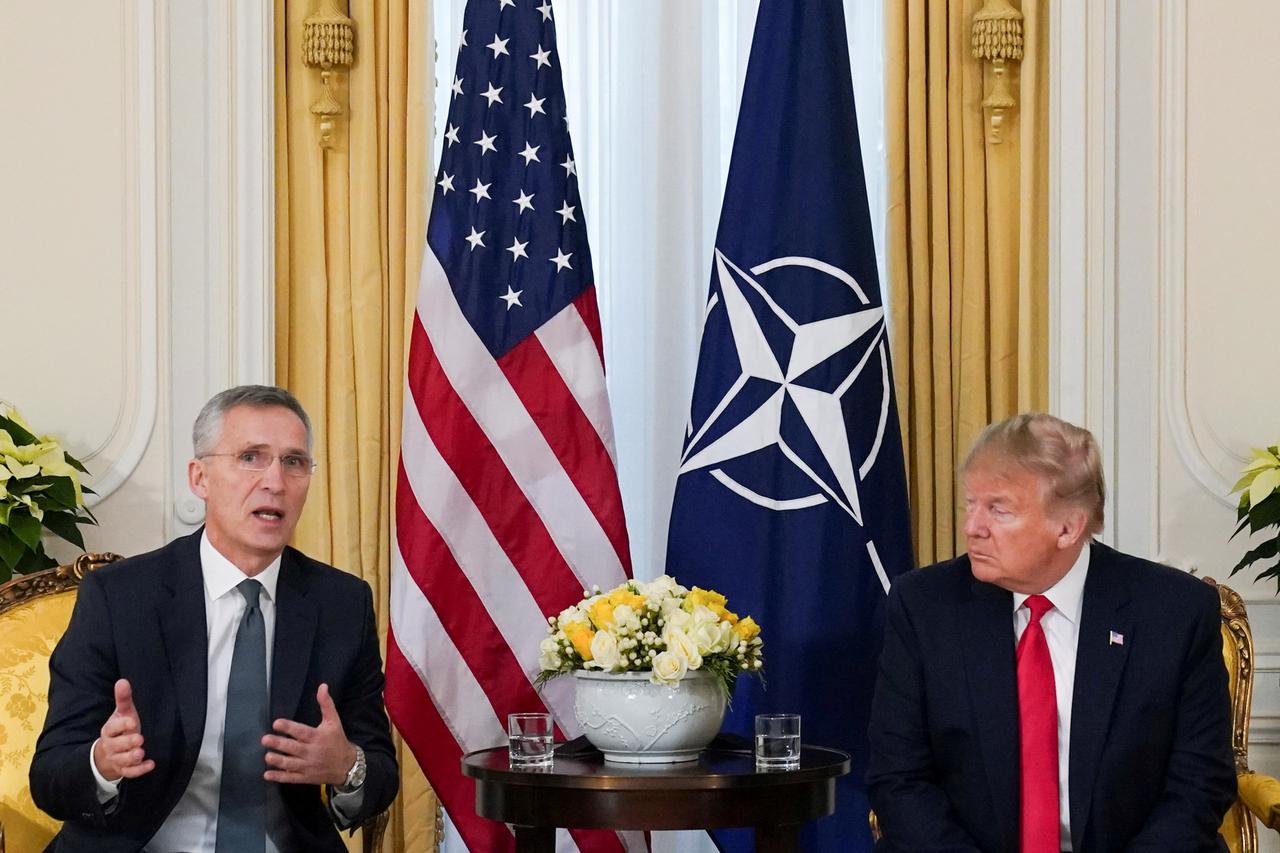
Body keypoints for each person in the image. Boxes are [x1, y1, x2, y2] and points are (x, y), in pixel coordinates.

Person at [31, 385, 398, 853]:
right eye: (251, 457)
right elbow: (51, 773)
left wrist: (347, 766)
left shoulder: (341, 603)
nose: (275, 481)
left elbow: (380, 772)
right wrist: (102, 763)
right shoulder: (120, 597)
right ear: (200, 478)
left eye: (294, 461)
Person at [867, 413, 1235, 853]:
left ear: (1068, 527)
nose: (972, 527)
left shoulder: (1173, 611)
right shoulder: (925, 605)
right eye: (971, 504)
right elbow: (899, 778)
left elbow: (1199, 784)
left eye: (998, 509)